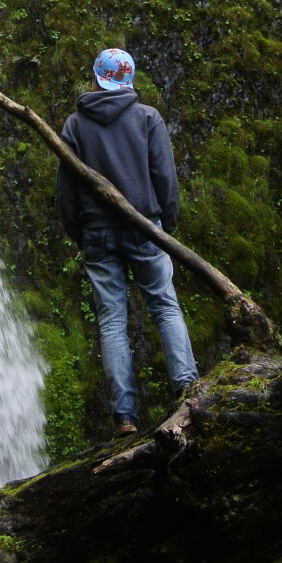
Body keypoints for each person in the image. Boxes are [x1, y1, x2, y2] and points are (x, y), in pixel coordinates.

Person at [57, 47, 198, 437]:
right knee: (165, 307)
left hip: (97, 234)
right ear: (128, 79)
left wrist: (80, 234)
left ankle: (125, 417)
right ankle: (187, 388)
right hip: (145, 228)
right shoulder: (147, 118)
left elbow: (66, 192)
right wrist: (165, 225)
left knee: (112, 322)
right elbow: (164, 178)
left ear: (96, 77)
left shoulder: (74, 126)